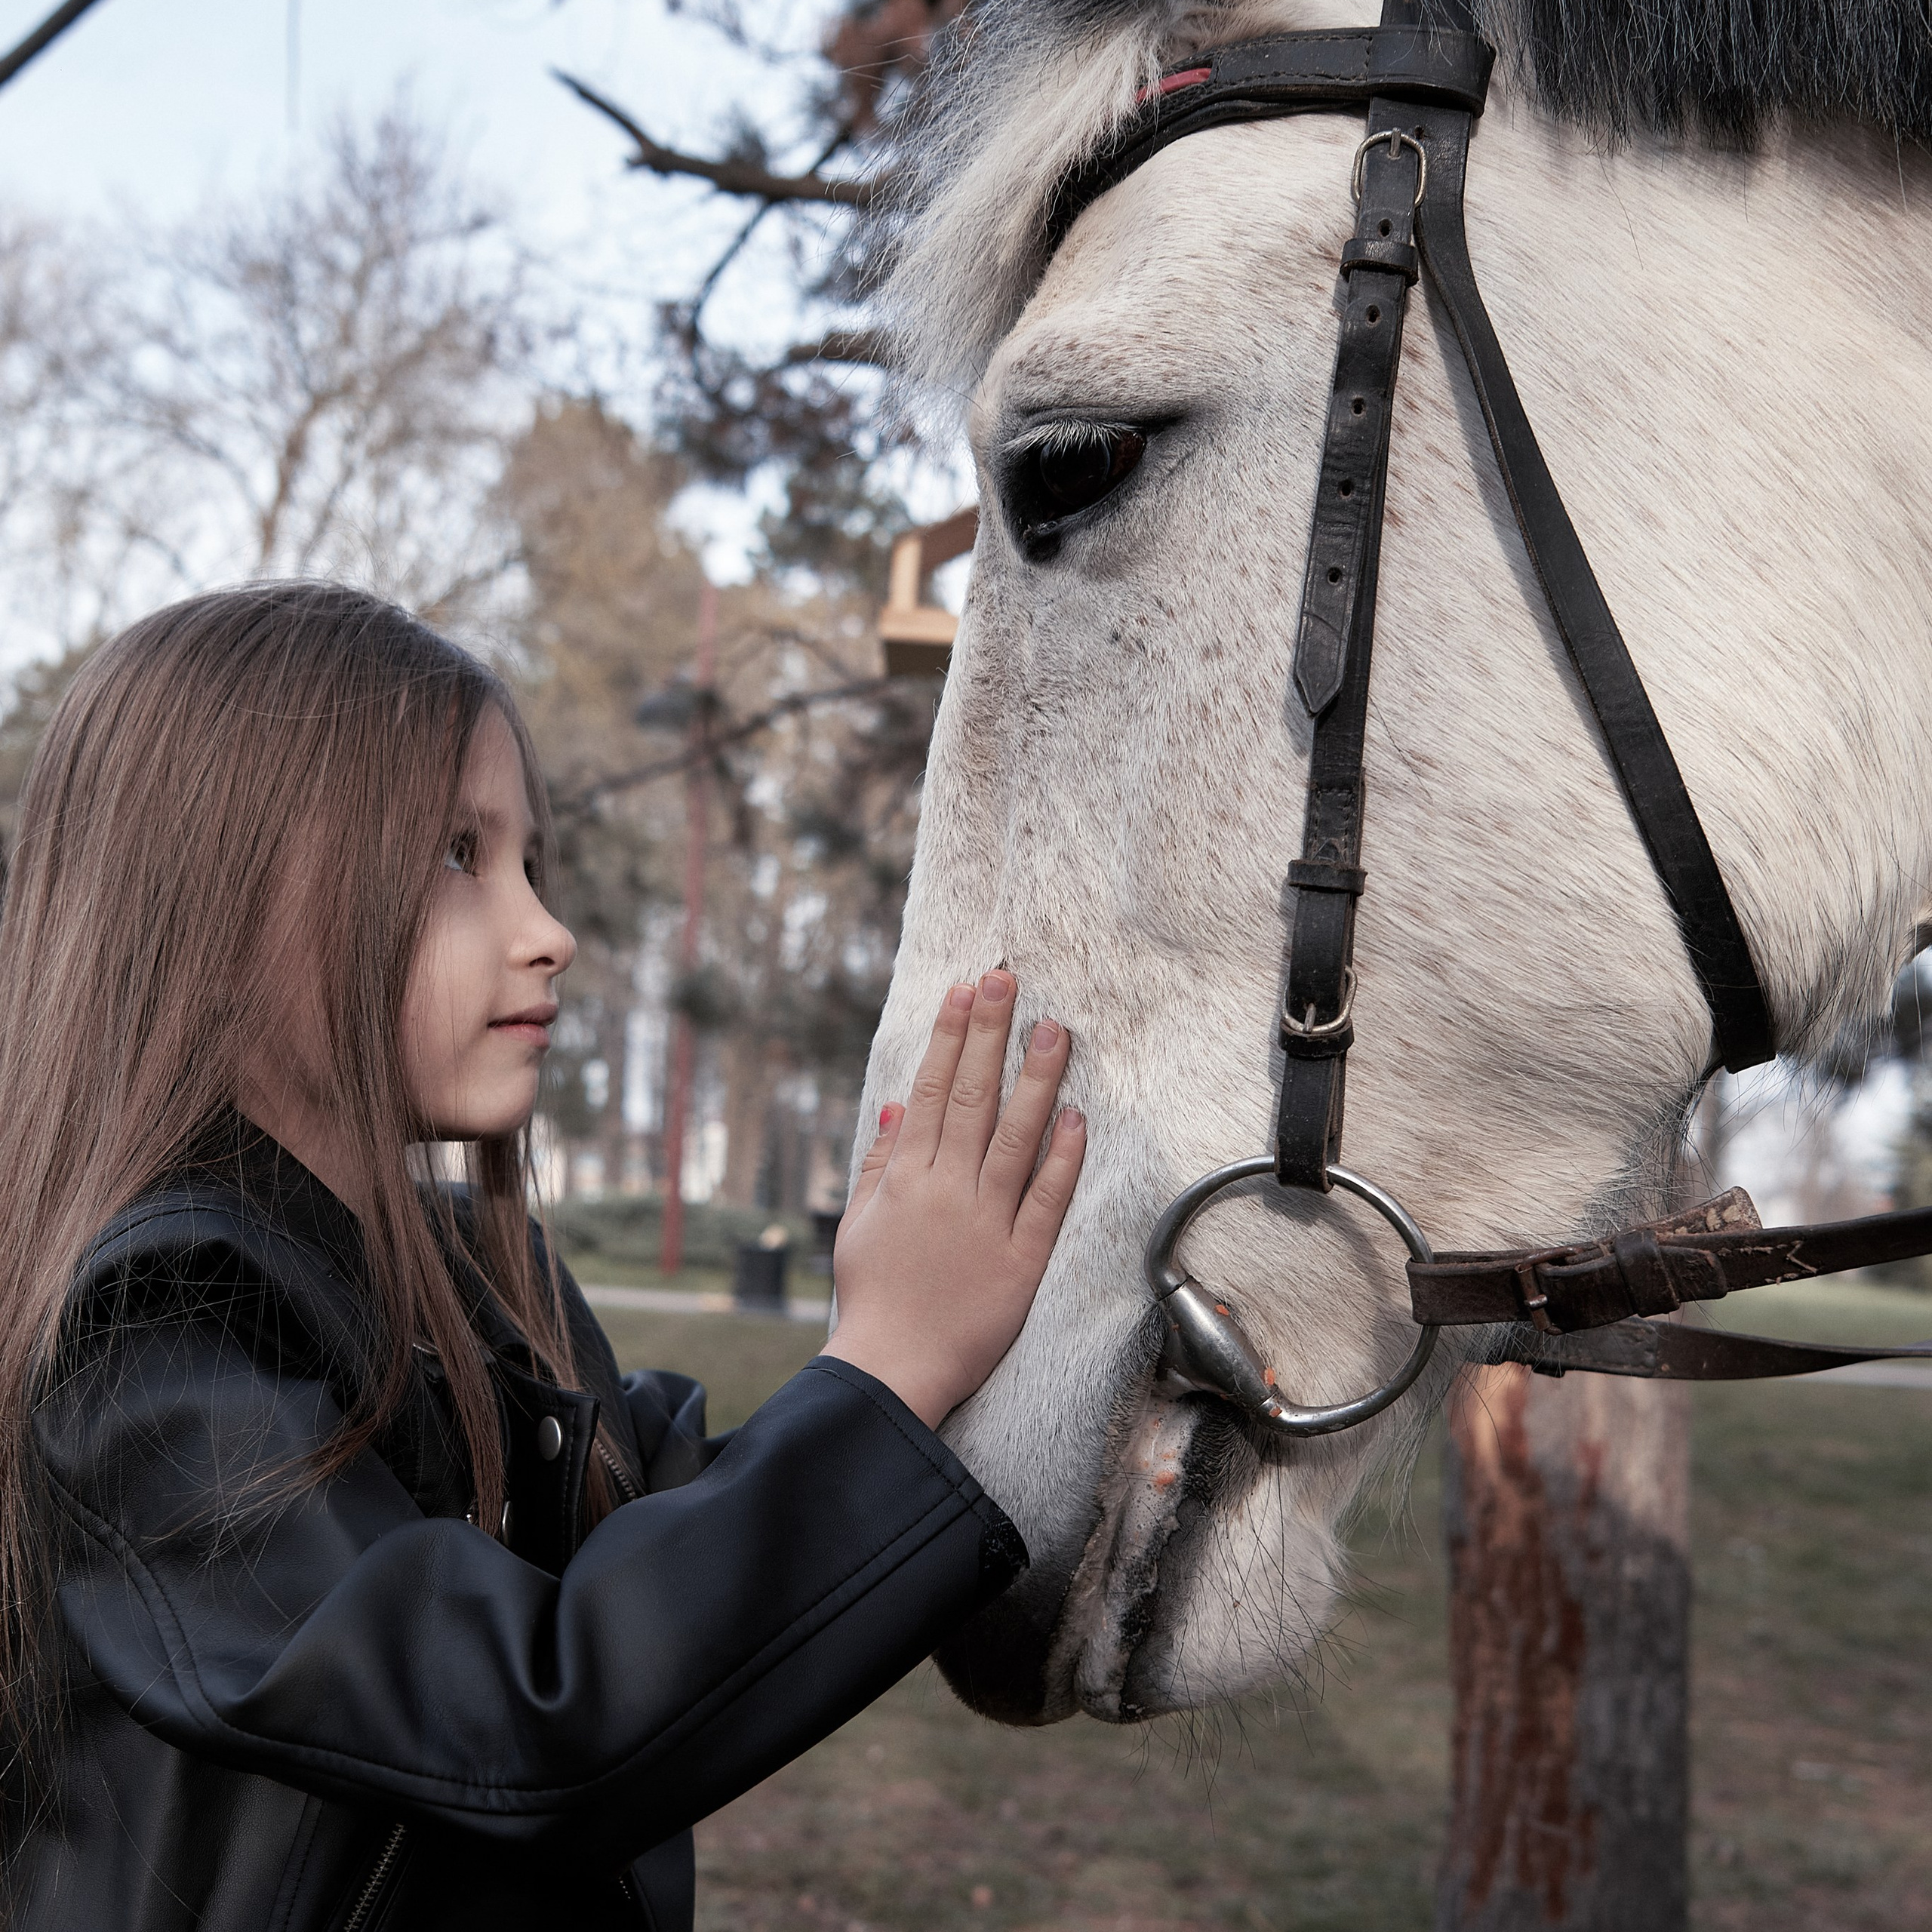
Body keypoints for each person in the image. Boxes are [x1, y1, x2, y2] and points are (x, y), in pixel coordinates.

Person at [0, 582, 1086, 1932]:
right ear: (212, 901)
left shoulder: (478, 1290)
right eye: (460, 854)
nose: (547, 931)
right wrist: (889, 1362)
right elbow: (520, 1722)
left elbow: (678, 1541)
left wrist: (948, 1329)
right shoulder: (152, 1326)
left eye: (530, 864)